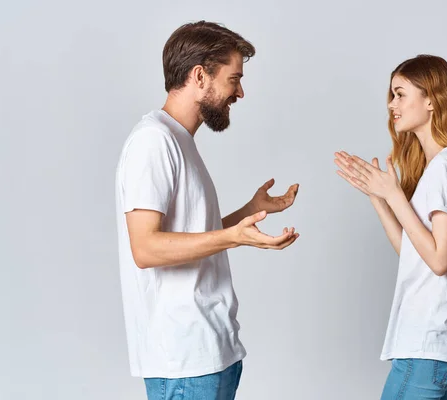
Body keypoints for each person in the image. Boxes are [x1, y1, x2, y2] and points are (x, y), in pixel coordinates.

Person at [115, 21, 299, 400]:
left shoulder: (179, 141)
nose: (241, 92)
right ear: (200, 76)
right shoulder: (153, 141)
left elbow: (190, 232)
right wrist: (233, 237)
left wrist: (248, 212)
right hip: (184, 362)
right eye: (234, 78)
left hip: (212, 353)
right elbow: (145, 248)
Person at [334, 54, 447, 399]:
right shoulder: (438, 166)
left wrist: (394, 195)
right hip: (424, 347)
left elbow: (439, 260)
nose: (391, 104)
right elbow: (413, 254)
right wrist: (379, 198)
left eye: (400, 94)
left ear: (431, 99)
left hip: (426, 347)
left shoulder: (446, 167)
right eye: (391, 95)